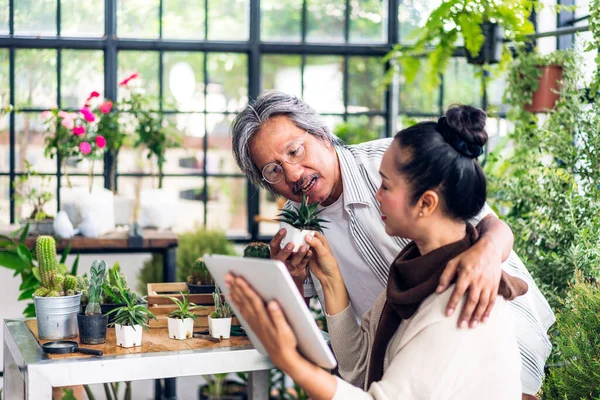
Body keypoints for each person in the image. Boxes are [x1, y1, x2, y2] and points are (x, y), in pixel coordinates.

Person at [231, 91, 554, 396]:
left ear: (322, 135)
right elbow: (337, 345)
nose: (293, 173)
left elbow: (486, 221)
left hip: (477, 318)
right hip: (401, 349)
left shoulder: (395, 163)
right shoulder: (298, 226)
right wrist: (292, 282)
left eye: (294, 151)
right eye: (273, 170)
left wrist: (487, 252)